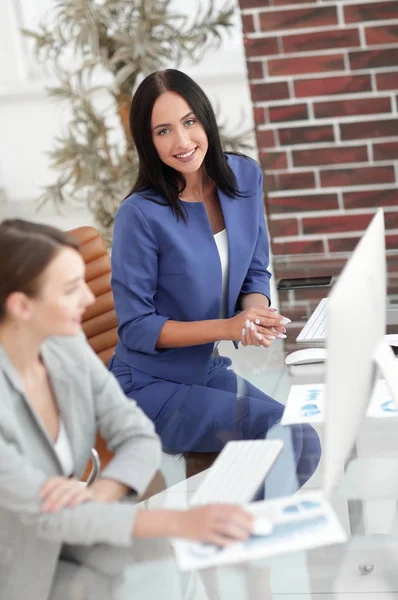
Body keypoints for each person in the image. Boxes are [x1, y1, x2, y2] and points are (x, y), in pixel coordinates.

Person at [0, 219, 254, 600]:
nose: (89, 299)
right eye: (71, 289)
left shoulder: (63, 347)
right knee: (169, 542)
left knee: (181, 556)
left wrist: (99, 492)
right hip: (18, 564)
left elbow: (138, 434)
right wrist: (179, 521)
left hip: (71, 534)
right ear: (21, 305)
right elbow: (48, 516)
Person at [109, 68, 321, 491]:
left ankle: (216, 531)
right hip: (150, 388)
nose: (183, 141)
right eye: (163, 131)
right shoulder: (141, 215)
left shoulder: (244, 178)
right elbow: (136, 327)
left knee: (301, 437)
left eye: (190, 122)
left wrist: (255, 314)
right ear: (148, 142)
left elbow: (255, 271)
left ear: (205, 118)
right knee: (290, 437)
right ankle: (215, 534)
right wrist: (229, 327)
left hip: (206, 370)